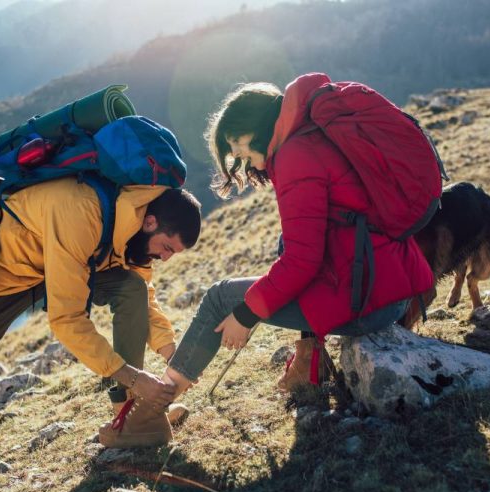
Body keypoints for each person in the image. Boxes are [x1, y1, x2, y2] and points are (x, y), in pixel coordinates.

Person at [99, 73, 435, 448]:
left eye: (237, 145)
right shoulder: (312, 134)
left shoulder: (295, 155)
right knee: (281, 243)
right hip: (384, 284)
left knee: (221, 299)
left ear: (256, 127)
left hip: (366, 300)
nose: (240, 157)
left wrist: (246, 314)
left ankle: (147, 416)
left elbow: (303, 262)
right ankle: (310, 365)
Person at [0, 177, 202, 488]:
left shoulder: (131, 227)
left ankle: (129, 416)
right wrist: (134, 376)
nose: (165, 258)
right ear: (151, 222)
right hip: (3, 271)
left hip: (64, 261)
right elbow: (66, 319)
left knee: (131, 288)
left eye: (172, 254)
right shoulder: (82, 213)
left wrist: (171, 353)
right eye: (167, 247)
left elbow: (143, 294)